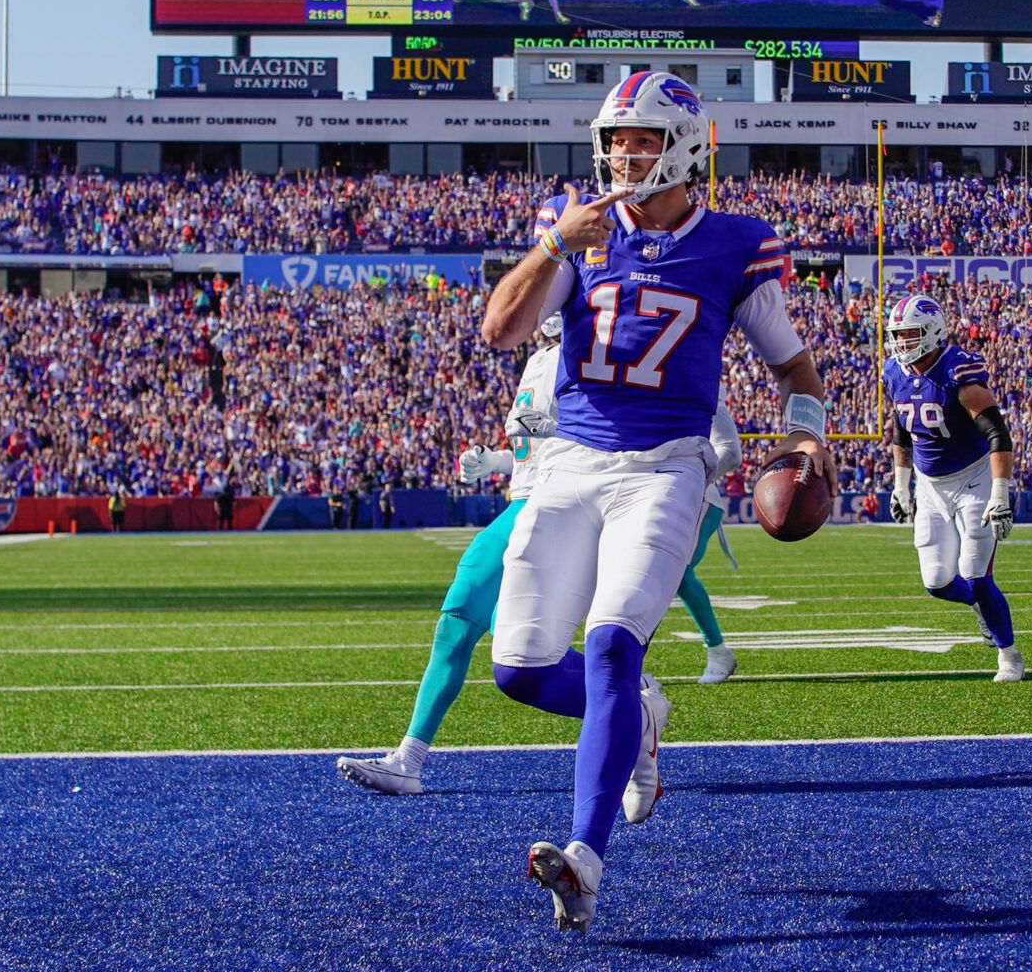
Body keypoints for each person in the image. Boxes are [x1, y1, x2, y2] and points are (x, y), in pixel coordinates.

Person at [480, 71, 833, 933]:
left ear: (679, 145)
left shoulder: (738, 243)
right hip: (569, 459)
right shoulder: (577, 228)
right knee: (519, 671)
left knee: (608, 646)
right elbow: (499, 332)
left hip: (668, 465)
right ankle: (641, 720)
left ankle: (585, 858)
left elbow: (792, 365)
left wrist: (805, 434)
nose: (622, 154)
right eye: (616, 138)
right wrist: (555, 247)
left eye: (640, 138)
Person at [339, 312, 567, 797]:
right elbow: (530, 448)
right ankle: (409, 759)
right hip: (522, 501)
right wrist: (497, 462)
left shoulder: (588, 354)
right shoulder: (537, 362)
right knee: (456, 624)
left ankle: (632, 705)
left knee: (525, 657)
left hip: (556, 504)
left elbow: (605, 433)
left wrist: (552, 427)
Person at [883, 294, 1024, 681]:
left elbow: (997, 433)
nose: (901, 343)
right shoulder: (894, 372)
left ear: (933, 331)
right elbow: (900, 430)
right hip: (930, 485)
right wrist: (900, 486)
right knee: (937, 582)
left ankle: (1009, 655)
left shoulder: (957, 371)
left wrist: (999, 493)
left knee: (976, 574)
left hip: (974, 477)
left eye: (910, 334)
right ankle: (979, 608)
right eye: (897, 334)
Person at [673, 408, 743, 686]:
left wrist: (690, 474)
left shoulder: (703, 392)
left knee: (678, 572)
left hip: (697, 497)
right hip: (651, 496)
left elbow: (730, 452)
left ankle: (717, 651)